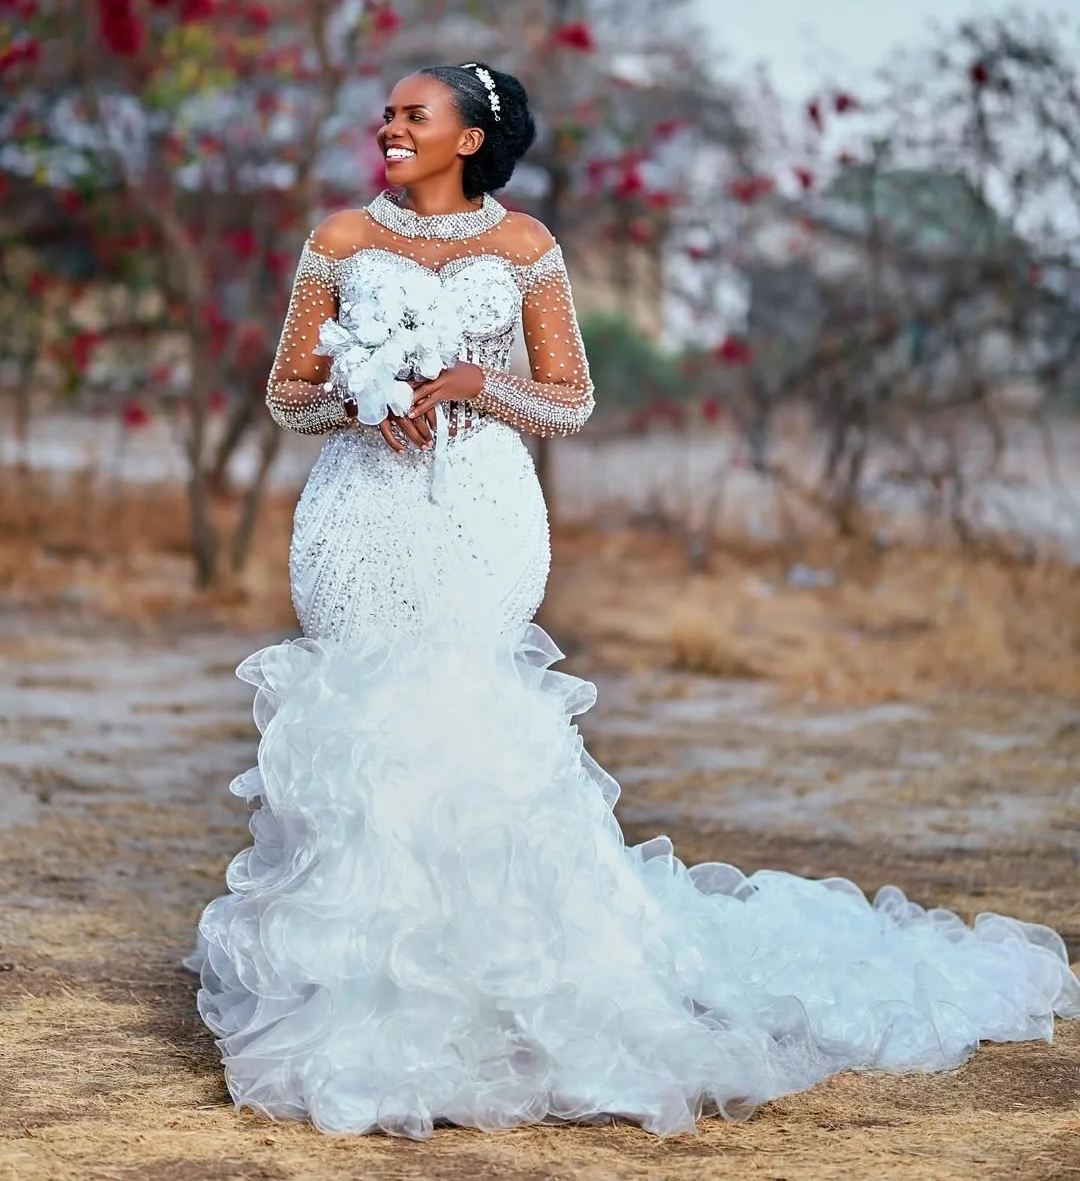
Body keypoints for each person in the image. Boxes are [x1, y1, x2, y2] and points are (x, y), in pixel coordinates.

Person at [187, 62, 1079, 1140]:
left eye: (411, 115)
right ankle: (355, 1000)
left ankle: (492, 991)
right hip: (355, 518)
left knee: (468, 717)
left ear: (470, 137)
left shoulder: (525, 250)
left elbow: (569, 400)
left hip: (480, 511)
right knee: (364, 723)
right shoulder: (337, 241)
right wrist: (361, 403)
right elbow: (288, 395)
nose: (388, 126)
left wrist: (476, 385)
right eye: (386, 112)